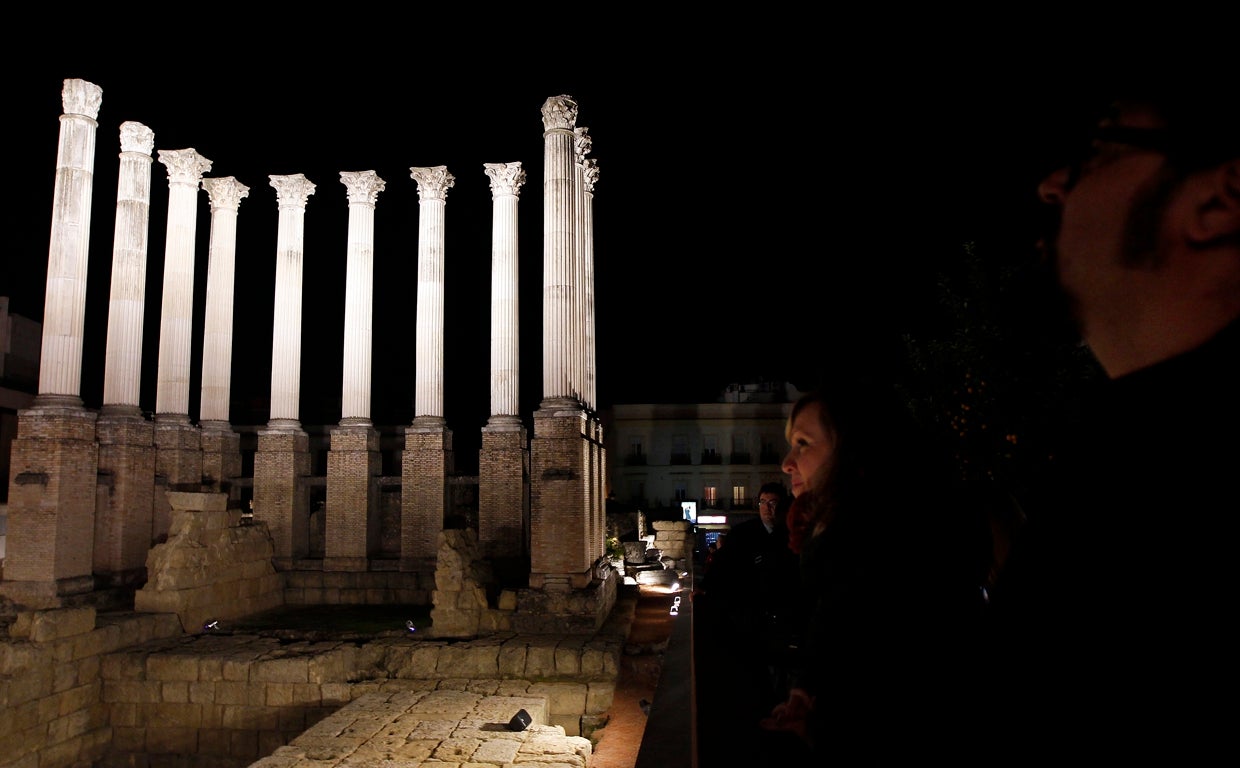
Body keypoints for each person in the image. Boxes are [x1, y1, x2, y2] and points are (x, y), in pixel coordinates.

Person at [985, 73, 1240, 761]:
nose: (1052, 185)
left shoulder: (1158, 481)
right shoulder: (1127, 451)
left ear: (1219, 199)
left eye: (1098, 149)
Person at [762, 382, 992, 763]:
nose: (787, 462)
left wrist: (822, 728)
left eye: (803, 443)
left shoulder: (894, 547)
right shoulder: (842, 540)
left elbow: (894, 692)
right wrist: (805, 691)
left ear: (852, 449)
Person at [708, 481, 803, 718]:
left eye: (773, 503)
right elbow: (723, 565)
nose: (768, 508)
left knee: (780, 673)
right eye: (763, 502)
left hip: (782, 618)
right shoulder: (743, 534)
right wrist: (704, 588)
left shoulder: (792, 534)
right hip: (750, 618)